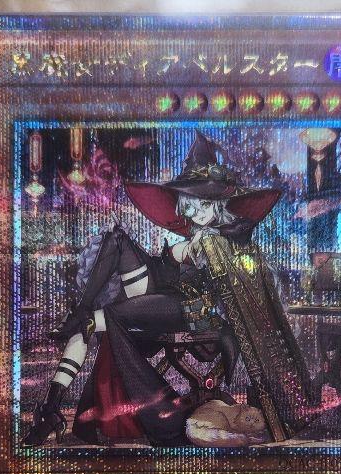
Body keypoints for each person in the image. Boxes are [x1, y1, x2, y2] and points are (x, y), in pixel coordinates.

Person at [25, 132, 304, 446]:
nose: (198, 211)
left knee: (92, 321)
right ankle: (52, 401)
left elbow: (237, 287)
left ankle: (56, 405)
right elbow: (173, 263)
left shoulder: (233, 233)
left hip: (193, 310)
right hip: (162, 295)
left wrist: (198, 253)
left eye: (205, 203)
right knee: (116, 240)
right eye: (191, 204)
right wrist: (178, 253)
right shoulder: (196, 235)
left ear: (221, 203)